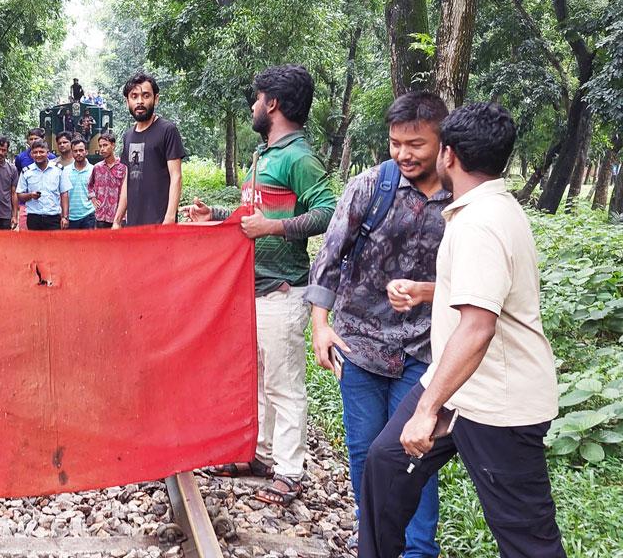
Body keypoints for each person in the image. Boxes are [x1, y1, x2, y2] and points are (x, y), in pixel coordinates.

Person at [359, 103, 566, 558]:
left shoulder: (480, 223)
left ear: (447, 154)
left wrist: (425, 411)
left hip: (499, 403)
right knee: (386, 463)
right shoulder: (488, 209)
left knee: (526, 536)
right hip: (459, 386)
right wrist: (428, 291)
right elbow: (483, 295)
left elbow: (478, 329)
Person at [304, 91, 451, 557]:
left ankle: (418, 549)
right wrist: (320, 326)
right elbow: (328, 258)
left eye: (416, 145)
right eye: (395, 143)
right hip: (360, 343)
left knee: (416, 451)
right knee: (366, 450)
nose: (404, 154)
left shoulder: (460, 199)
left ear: (442, 142)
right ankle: (372, 537)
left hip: (424, 352)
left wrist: (427, 293)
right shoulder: (371, 186)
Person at [185, 65, 336, 506]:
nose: (252, 106)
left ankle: (290, 471)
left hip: (283, 291)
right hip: (253, 291)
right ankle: (261, 454)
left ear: (272, 103)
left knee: (284, 383)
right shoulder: (264, 155)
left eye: (256, 98)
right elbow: (252, 213)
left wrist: (273, 228)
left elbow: (329, 211)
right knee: (259, 378)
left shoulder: (299, 157)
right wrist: (214, 214)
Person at [112, 73, 185, 228]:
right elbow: (128, 180)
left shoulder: (168, 131)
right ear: (127, 102)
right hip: (134, 224)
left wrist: (170, 219)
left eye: (146, 96)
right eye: (134, 96)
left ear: (155, 99)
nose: (140, 101)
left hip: (161, 223)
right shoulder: (128, 136)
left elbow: (176, 176)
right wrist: (118, 220)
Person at [16, 139, 71, 230]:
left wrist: (65, 217)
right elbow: (19, 195)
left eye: (41, 152)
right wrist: (30, 195)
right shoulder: (26, 172)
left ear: (48, 153)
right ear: (31, 154)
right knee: (34, 244)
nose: (38, 155)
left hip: (53, 218)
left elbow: (64, 194)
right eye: (35, 152)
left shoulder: (58, 170)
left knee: (54, 244)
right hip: (34, 218)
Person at [89, 132, 126, 229]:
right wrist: (93, 199)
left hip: (119, 217)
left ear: (113, 145)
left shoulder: (123, 167)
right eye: (100, 146)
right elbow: (90, 185)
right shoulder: (97, 167)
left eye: (105, 145)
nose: (102, 149)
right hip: (101, 216)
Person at [0, 136, 19, 230]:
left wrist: (14, 216)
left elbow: (14, 194)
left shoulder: (12, 169)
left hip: (5, 214)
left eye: (3, 150)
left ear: (7, 151)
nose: (0, 153)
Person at [66, 138, 96, 229]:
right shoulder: (65, 171)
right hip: (70, 216)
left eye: (81, 150)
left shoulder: (94, 170)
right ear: (72, 153)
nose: (78, 153)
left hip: (89, 215)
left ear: (86, 151)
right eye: (75, 151)